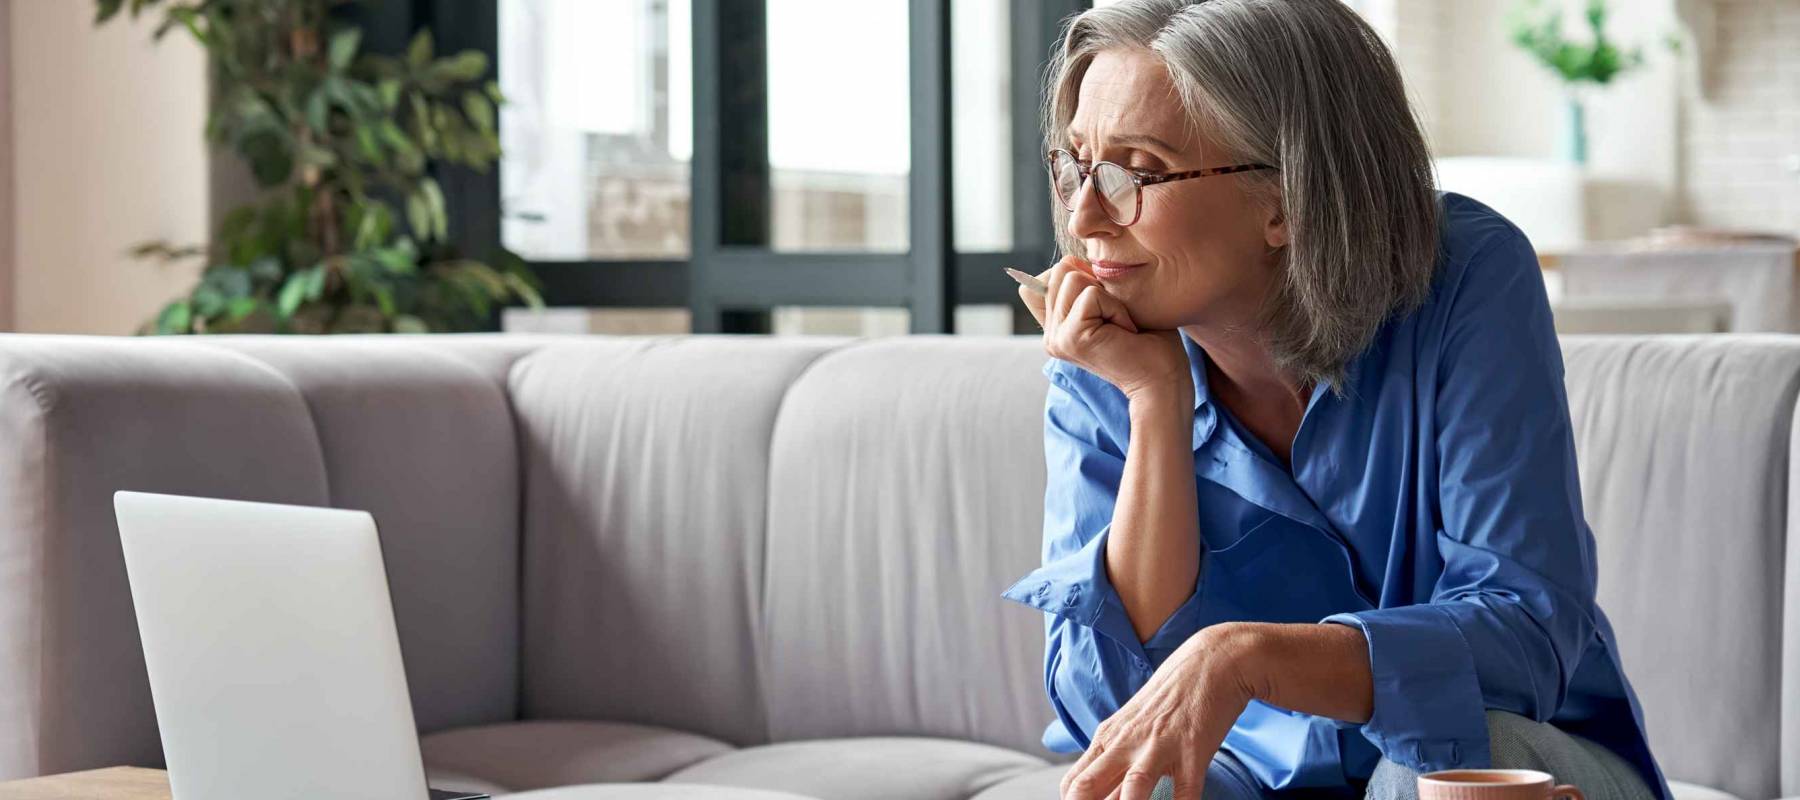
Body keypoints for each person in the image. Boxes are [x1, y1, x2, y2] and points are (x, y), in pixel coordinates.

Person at [999, 3, 1669, 800]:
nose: (1085, 217)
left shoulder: (1466, 278)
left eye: (1135, 171)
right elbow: (1107, 709)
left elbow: (1524, 636)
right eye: (1076, 166)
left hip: (1514, 757)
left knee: (1437, 768)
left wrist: (1244, 658)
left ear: (1285, 197)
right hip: (1259, 779)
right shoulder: (1108, 338)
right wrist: (1154, 402)